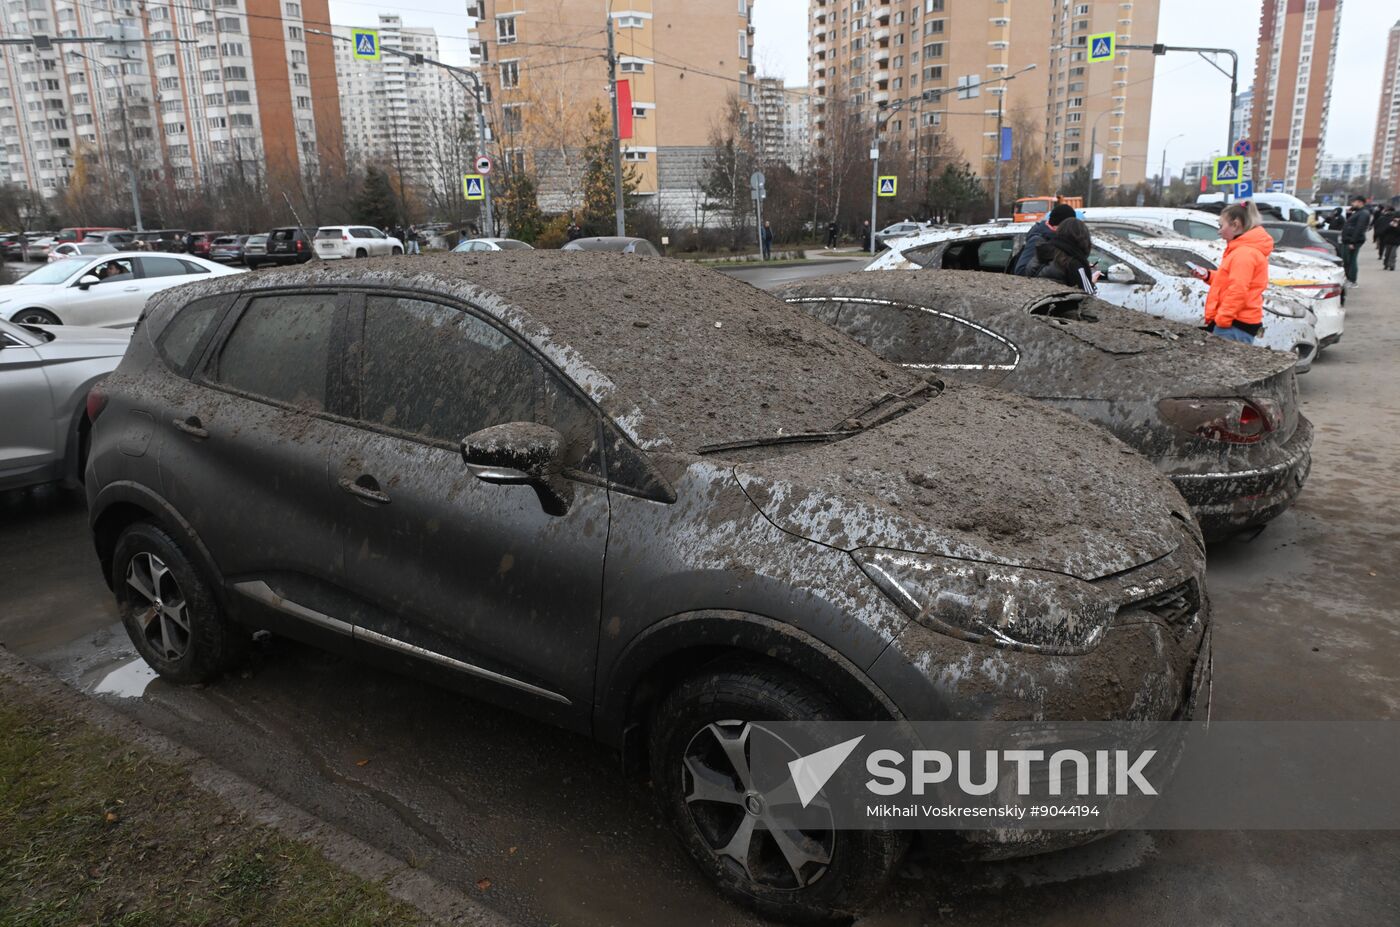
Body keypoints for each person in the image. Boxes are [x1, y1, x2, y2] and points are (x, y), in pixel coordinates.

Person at [1188, 202, 1270, 345]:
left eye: (1221, 226)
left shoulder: (1244, 254)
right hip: (1237, 324)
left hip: (1234, 325)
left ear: (1235, 225)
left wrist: (1222, 320)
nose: (1219, 232)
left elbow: (1238, 289)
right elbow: (1230, 282)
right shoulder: (1244, 251)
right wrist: (1208, 275)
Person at [1025, 216, 1096, 293]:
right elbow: (1088, 296)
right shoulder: (1075, 264)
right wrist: (1090, 283)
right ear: (1083, 239)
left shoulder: (1040, 254)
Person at [1012, 202, 1078, 276]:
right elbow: (1020, 271)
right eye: (1069, 226)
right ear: (1061, 225)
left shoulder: (1056, 239)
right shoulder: (1037, 240)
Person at [1340, 195, 1371, 287]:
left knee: (1351, 261)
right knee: (1346, 261)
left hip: (1353, 241)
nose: (1352, 203)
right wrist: (1349, 214)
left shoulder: (1363, 213)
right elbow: (1351, 224)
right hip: (1348, 240)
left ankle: (1352, 280)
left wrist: (1352, 242)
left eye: (1354, 202)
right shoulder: (1358, 212)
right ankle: (1348, 278)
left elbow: (1359, 228)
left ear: (1360, 202)